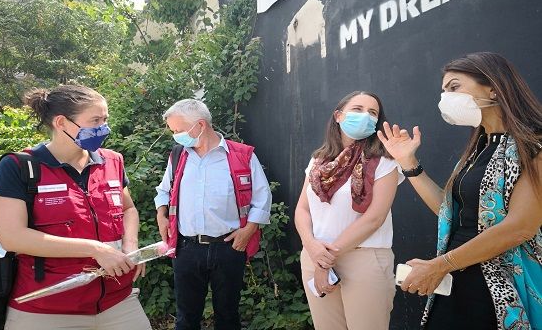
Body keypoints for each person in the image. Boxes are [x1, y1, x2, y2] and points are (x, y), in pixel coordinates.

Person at [377, 52, 542, 329]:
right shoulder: (478, 150)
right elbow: (449, 211)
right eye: (444, 91)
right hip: (456, 279)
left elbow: (520, 227)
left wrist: (440, 265)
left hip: (501, 288)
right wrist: (408, 163)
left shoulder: (533, 145)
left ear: (493, 87)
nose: (446, 98)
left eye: (454, 87)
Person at [0, 85, 151, 330]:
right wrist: (95, 249)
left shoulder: (112, 161)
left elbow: (128, 209)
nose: (103, 128)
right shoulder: (19, 167)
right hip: (45, 309)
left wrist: (130, 244)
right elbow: (12, 236)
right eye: (95, 120)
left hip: (117, 302)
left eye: (105, 120)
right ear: (61, 123)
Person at [154, 99, 272, 330]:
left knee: (228, 315)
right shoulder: (178, 156)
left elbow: (262, 196)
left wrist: (250, 229)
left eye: (178, 130)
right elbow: (163, 191)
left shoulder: (242, 155)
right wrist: (161, 213)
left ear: (200, 125)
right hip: (186, 248)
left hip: (228, 248)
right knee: (186, 317)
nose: (176, 136)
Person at [294, 91, 405, 330]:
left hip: (363, 258)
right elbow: (303, 209)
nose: (365, 116)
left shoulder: (385, 161)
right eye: (357, 109)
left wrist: (326, 261)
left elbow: (374, 218)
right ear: (338, 115)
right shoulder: (318, 162)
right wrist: (311, 247)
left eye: (372, 112)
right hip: (315, 255)